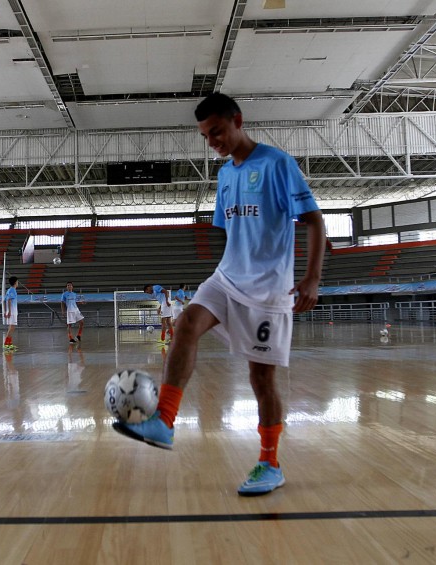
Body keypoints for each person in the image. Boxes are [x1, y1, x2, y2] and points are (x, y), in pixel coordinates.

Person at [114, 92, 326, 497]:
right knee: (186, 322)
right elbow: (231, 230)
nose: (213, 142)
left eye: (218, 132)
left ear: (237, 120)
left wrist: (312, 278)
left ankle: (270, 463)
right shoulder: (225, 175)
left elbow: (315, 222)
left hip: (268, 290)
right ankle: (164, 421)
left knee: (261, 381)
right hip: (228, 277)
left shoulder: (278, 164)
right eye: (206, 137)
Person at [3, 276, 19, 350]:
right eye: (17, 281)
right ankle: (6, 344)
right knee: (12, 328)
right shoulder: (12, 290)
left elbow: (4, 301)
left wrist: (5, 311)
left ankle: (9, 344)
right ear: (15, 282)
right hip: (12, 311)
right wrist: (9, 311)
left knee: (11, 327)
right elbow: (8, 300)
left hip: (11, 311)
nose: (18, 283)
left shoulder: (9, 290)